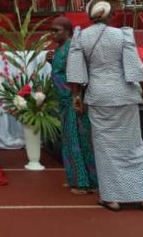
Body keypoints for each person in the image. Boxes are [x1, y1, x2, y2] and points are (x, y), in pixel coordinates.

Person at [67, 0, 143, 212]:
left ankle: (112, 198)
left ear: (90, 16)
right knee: (133, 146)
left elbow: (75, 73)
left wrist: (76, 98)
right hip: (125, 95)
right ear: (110, 16)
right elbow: (134, 67)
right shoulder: (122, 35)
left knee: (104, 148)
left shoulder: (81, 37)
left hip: (98, 97)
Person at [46, 17, 99, 195]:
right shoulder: (60, 48)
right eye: (51, 30)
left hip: (73, 100)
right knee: (68, 140)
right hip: (63, 100)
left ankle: (85, 182)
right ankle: (74, 178)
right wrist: (51, 62)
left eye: (57, 30)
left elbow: (77, 75)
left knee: (78, 141)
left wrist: (77, 99)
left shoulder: (72, 49)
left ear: (68, 32)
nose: (52, 34)